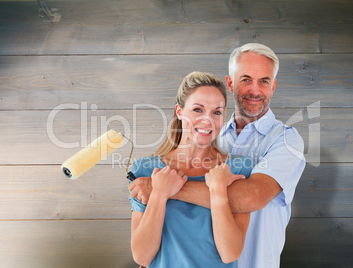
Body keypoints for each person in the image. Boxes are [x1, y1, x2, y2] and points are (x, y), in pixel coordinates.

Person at [128, 43, 306, 268]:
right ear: (230, 83)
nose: (255, 90)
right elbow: (142, 256)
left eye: (264, 81)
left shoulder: (284, 141)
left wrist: (161, 189)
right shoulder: (152, 166)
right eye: (246, 79)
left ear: (273, 86)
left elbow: (252, 197)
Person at [129, 71, 255, 267]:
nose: (208, 120)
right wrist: (159, 193)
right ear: (179, 111)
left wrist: (219, 188)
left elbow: (230, 253)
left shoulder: (239, 169)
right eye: (198, 109)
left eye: (217, 112)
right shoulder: (146, 170)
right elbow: (142, 256)